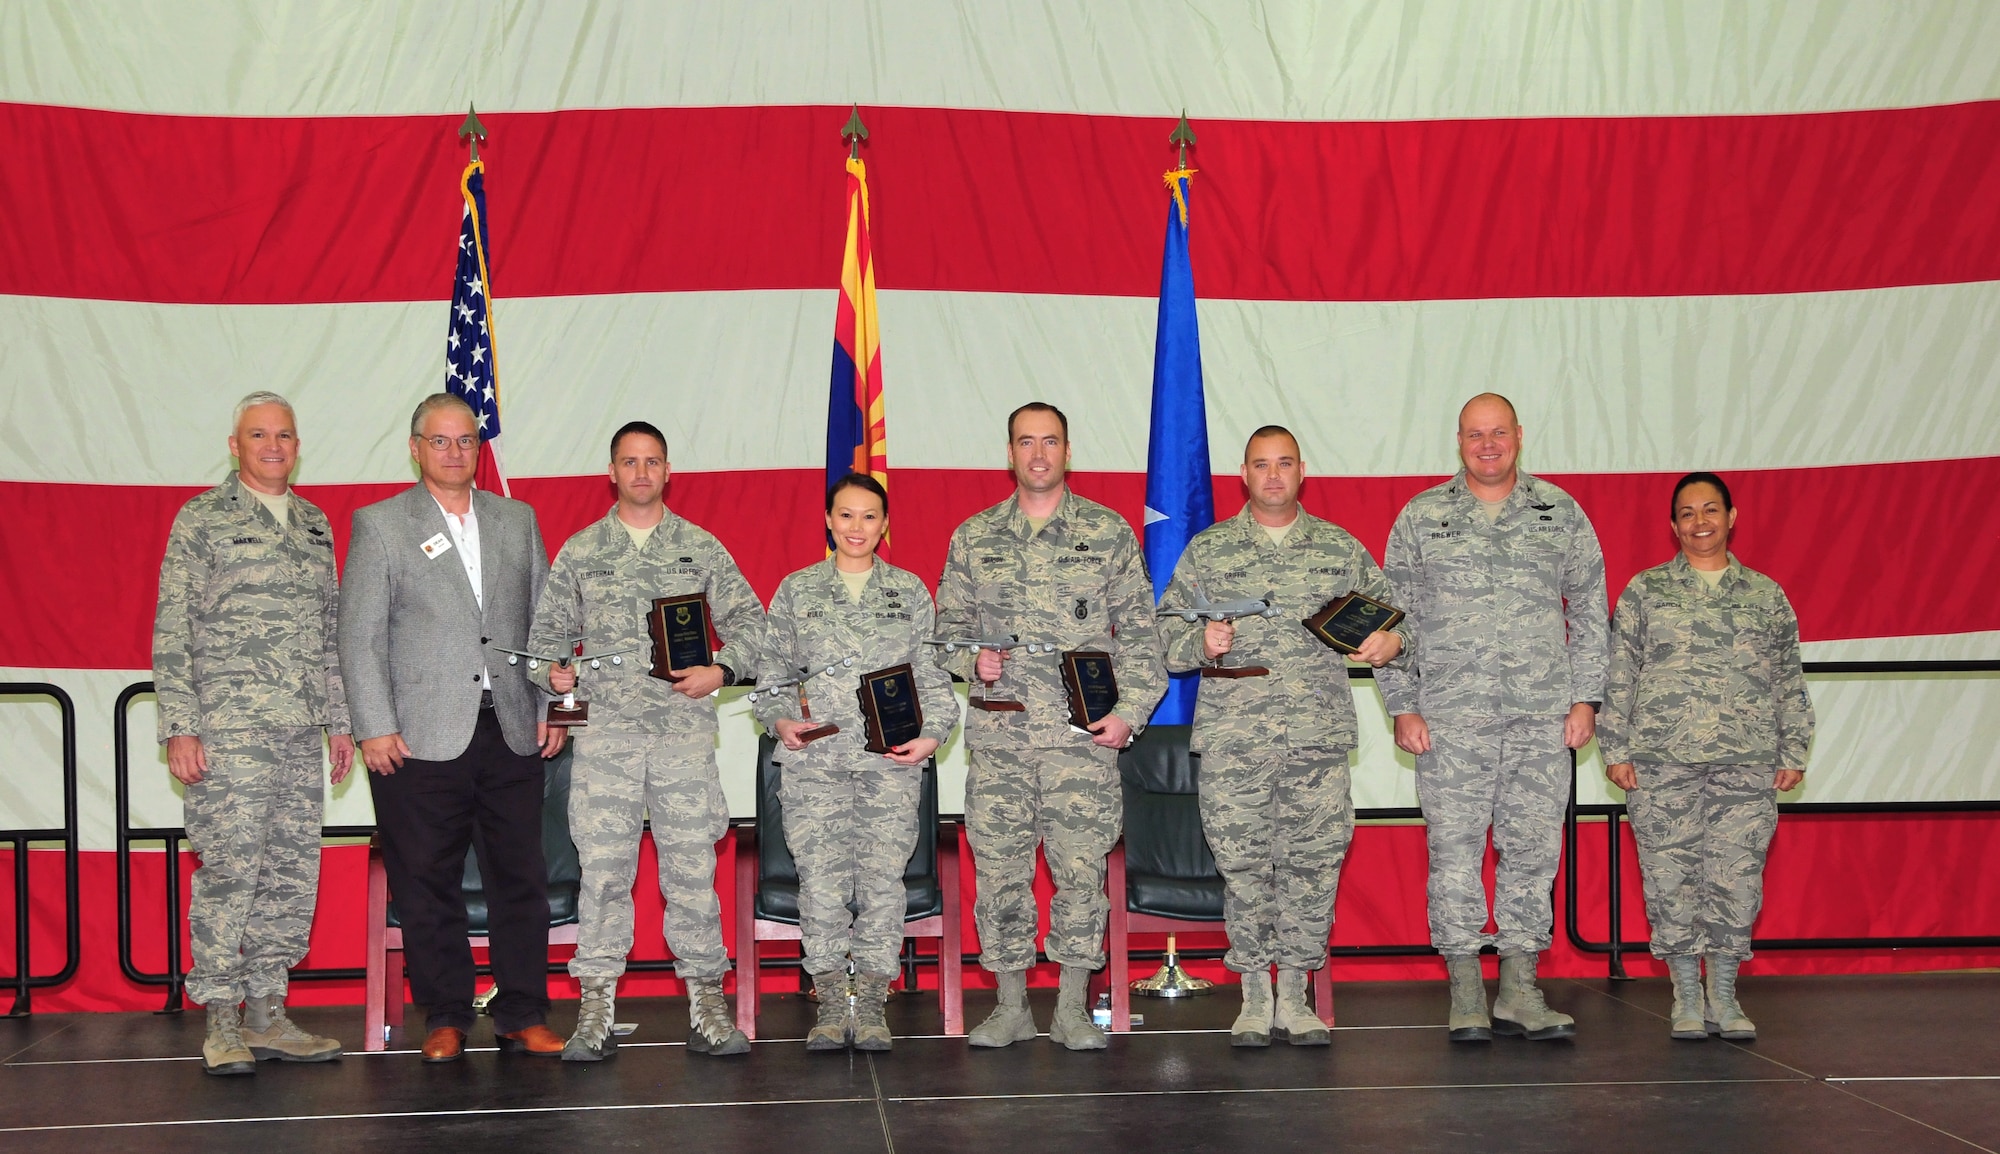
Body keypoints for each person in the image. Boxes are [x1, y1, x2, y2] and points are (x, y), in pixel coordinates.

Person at [1157, 426, 1405, 1047]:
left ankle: (1294, 993)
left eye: (1284, 464)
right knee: (1242, 867)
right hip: (1235, 741)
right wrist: (1198, 642)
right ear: (1243, 473)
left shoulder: (1338, 548)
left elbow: (1397, 621)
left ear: (1301, 471)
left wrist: (1389, 642)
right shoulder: (1208, 551)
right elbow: (1159, 633)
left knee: (1312, 865)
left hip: (1315, 738)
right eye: (1261, 465)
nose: (1273, 476)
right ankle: (1253, 996)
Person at [338, 393, 567, 1063]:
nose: (454, 452)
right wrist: (373, 726)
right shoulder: (380, 525)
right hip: (418, 735)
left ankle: (523, 1012)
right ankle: (444, 1014)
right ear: (415, 448)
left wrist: (551, 708)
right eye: (439, 441)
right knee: (425, 881)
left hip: (514, 728)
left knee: (520, 878)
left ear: (478, 447)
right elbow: (359, 636)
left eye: (465, 440)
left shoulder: (516, 519)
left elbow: (544, 628)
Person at [933, 402, 1167, 1051]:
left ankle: (1070, 1008)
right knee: (1002, 872)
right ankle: (1011, 1007)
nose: (1038, 454)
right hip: (1001, 739)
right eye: (1025, 442)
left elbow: (1145, 641)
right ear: (1008, 453)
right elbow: (943, 633)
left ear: (1068, 451)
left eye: (1051, 441)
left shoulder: (1110, 533)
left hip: (1080, 744)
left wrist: (1129, 715)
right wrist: (966, 659)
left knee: (1079, 873)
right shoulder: (973, 537)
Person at [1377, 393, 1608, 1043]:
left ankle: (1519, 986)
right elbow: (1389, 619)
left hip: (1541, 717)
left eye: (1498, 433)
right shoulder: (1423, 517)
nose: (1488, 444)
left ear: (1518, 437)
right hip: (1452, 719)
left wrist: (1586, 696)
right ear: (1459, 442)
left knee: (1532, 853)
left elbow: (1589, 608)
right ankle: (1465, 989)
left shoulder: (1558, 511)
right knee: (1453, 853)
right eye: (1475, 434)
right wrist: (1404, 704)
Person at [531, 421, 765, 1059]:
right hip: (605, 740)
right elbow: (545, 636)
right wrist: (551, 674)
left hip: (682, 739)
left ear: (668, 471)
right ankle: (595, 1004)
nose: (641, 473)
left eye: (652, 462)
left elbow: (755, 628)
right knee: (602, 873)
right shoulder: (581, 551)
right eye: (629, 462)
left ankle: (706, 1003)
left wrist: (722, 669)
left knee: (691, 872)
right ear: (611, 472)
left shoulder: (699, 547)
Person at [153, 391, 353, 1075]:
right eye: (259, 435)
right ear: (234, 446)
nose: (274, 446)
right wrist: (179, 726)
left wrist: (340, 724)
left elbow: (330, 636)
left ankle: (268, 1013)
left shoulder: (314, 525)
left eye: (285, 436)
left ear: (298, 446)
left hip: (300, 733)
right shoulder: (202, 519)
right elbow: (173, 628)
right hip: (230, 730)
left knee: (290, 873)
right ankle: (220, 1018)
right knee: (231, 872)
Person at [1601, 472, 1814, 1041]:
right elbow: (1620, 675)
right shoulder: (1645, 592)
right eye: (1688, 513)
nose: (1700, 522)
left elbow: (1787, 679)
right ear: (1673, 525)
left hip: (1746, 761)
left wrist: (1794, 747)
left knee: (1736, 876)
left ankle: (1724, 992)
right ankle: (1685, 996)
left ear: (1731, 517)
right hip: (1661, 760)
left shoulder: (1765, 596)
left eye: (1711, 510)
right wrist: (1615, 749)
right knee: (1669, 876)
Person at [753, 473, 958, 1053]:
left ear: (885, 524)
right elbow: (772, 680)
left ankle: (870, 1000)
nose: (857, 528)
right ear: (827, 520)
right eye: (846, 515)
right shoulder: (797, 591)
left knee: (882, 885)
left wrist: (932, 737)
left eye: (869, 517)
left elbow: (936, 681)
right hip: (814, 763)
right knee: (819, 883)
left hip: (889, 766)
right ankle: (824, 999)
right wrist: (781, 721)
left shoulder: (910, 592)